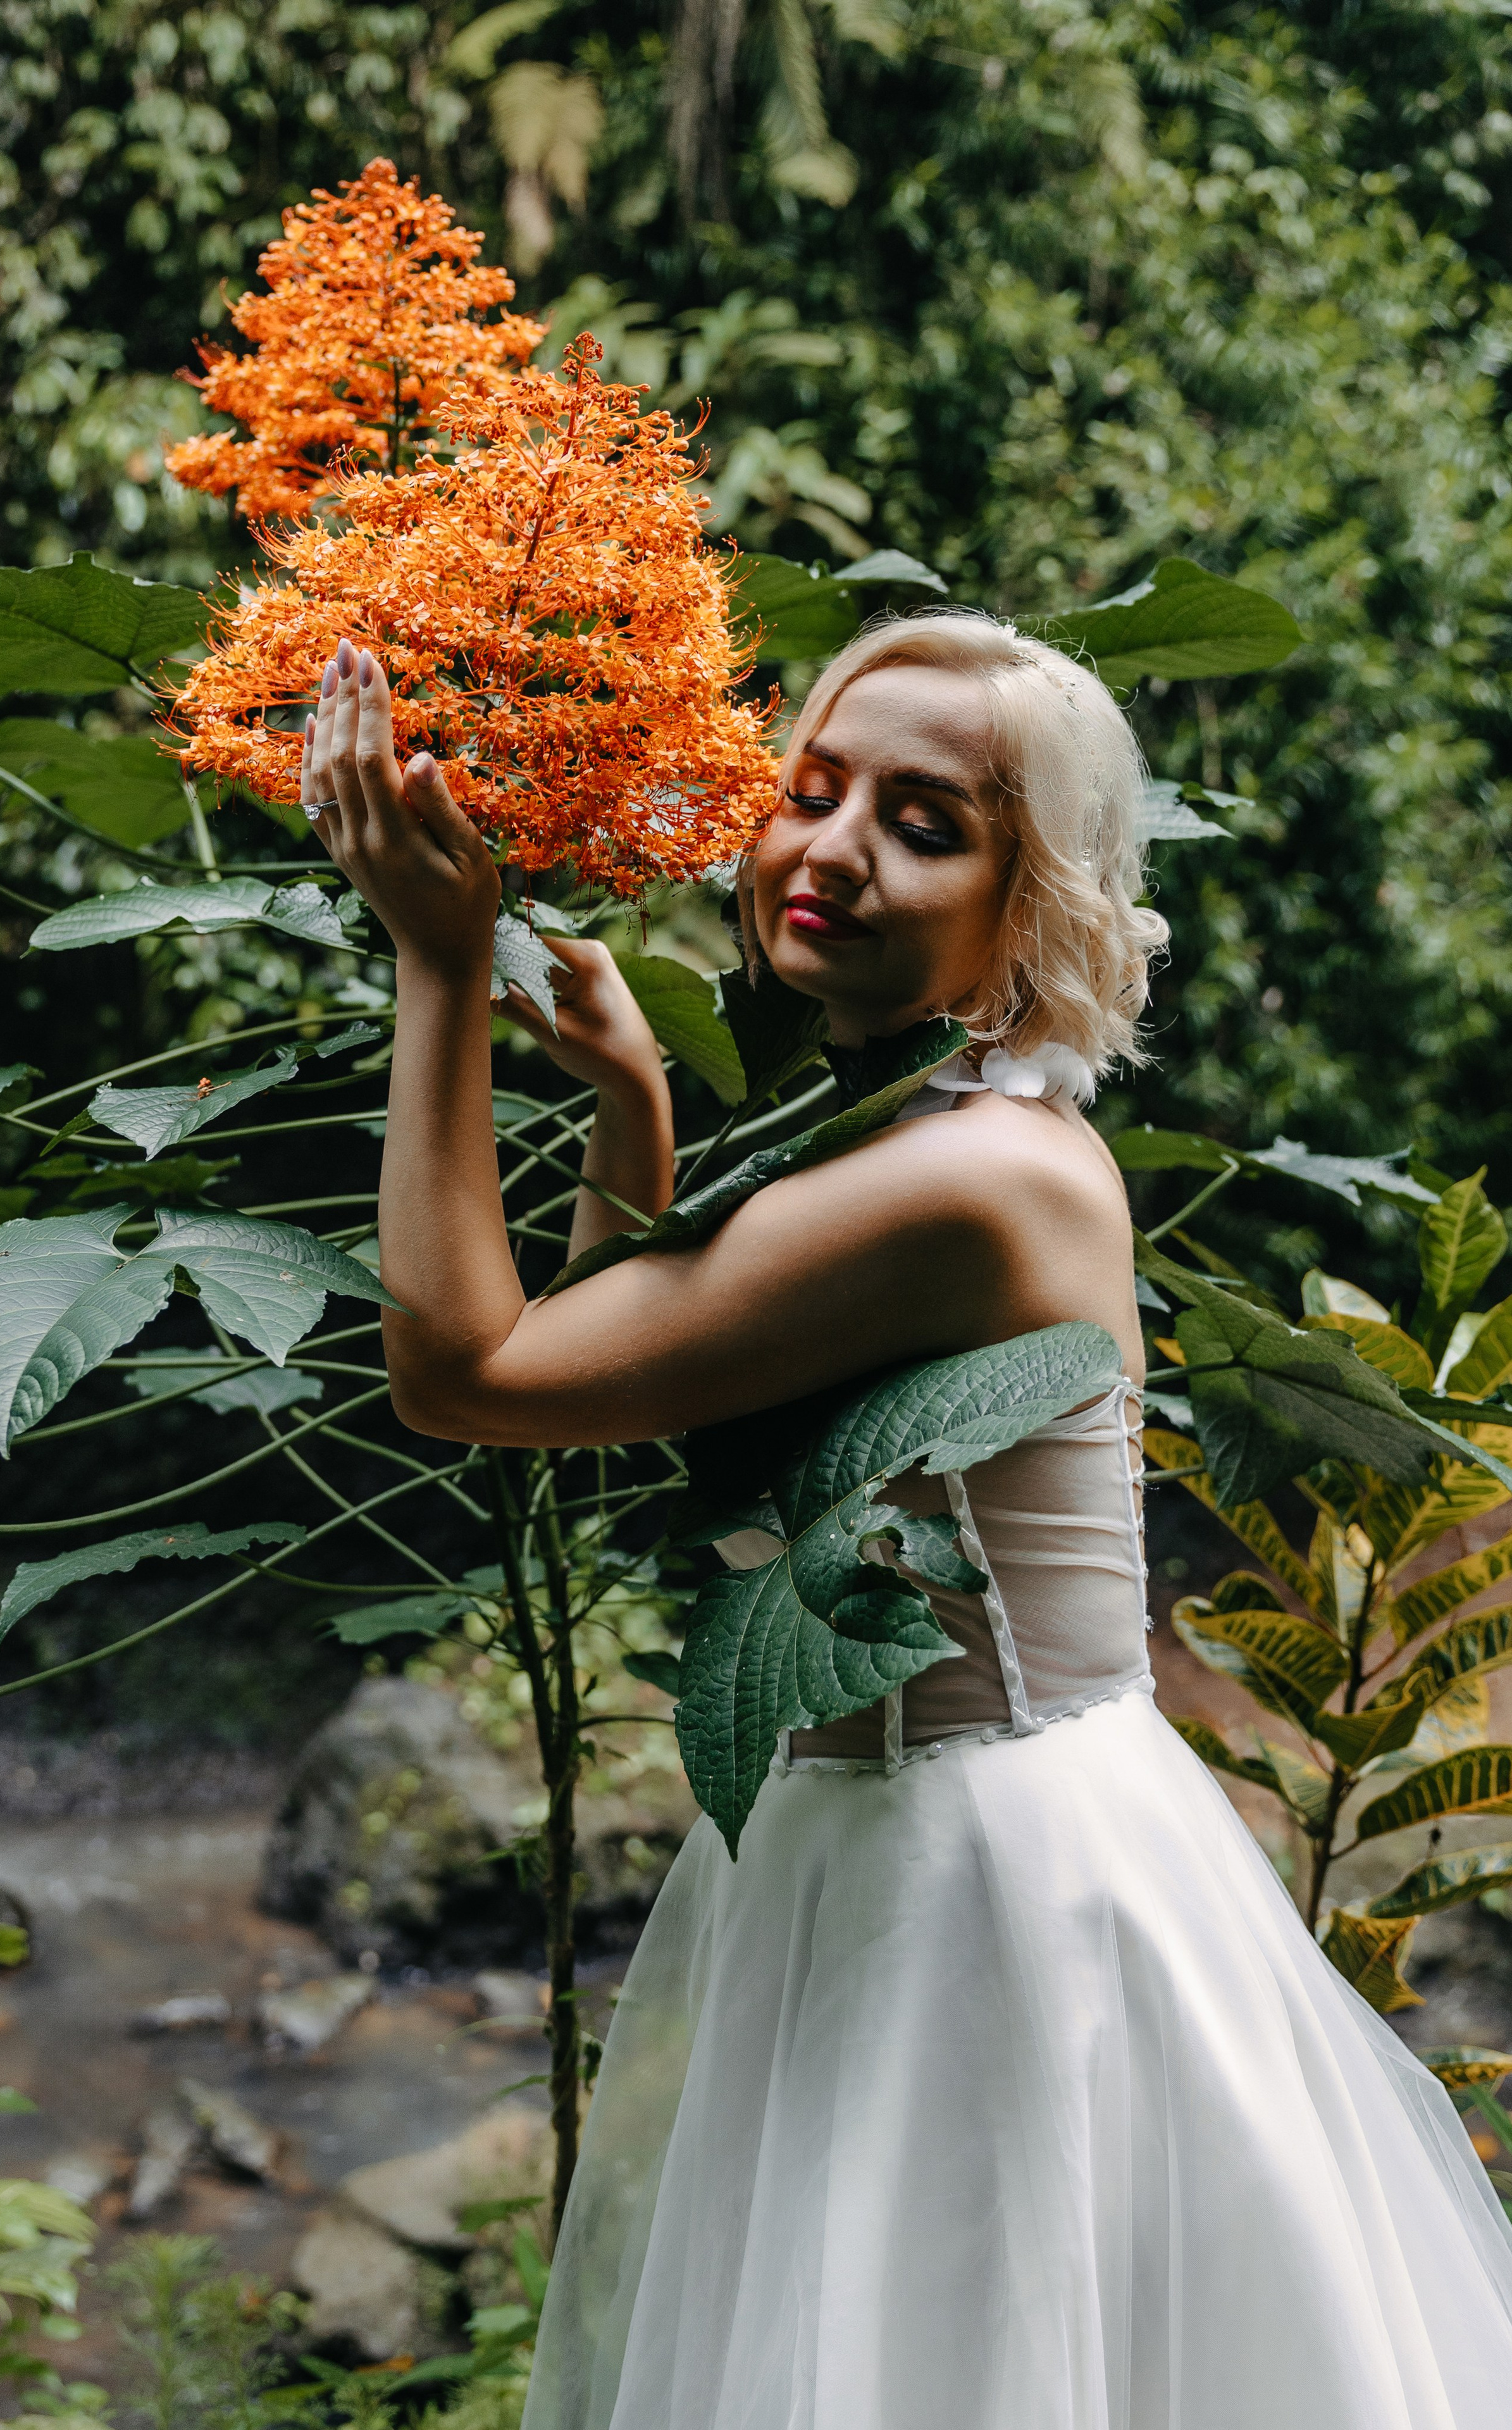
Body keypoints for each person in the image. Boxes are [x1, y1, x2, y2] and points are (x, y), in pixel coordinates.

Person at [302, 616, 1512, 2430]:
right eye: (810, 793)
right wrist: (633, 1106)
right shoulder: (927, 1139)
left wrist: (439, 972)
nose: (831, 849)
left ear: (1036, 910)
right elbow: (636, 1410)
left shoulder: (963, 1184)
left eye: (925, 823)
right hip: (906, 1829)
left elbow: (471, 1376)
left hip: (979, 1871)